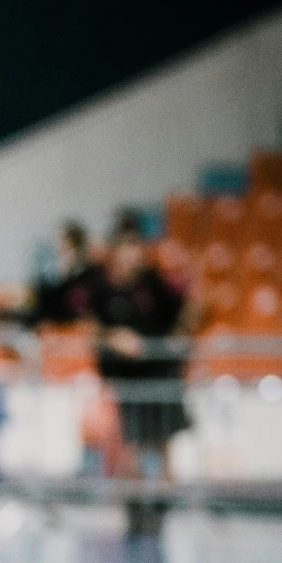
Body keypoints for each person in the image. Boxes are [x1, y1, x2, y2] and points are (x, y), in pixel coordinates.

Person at [89, 210, 190, 515]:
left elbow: (181, 313)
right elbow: (93, 330)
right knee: (130, 445)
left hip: (160, 374)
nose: (132, 254)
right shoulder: (102, 291)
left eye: (136, 246)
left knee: (163, 445)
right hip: (129, 380)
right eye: (125, 247)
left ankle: (163, 506)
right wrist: (113, 338)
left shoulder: (152, 282)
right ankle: (132, 508)